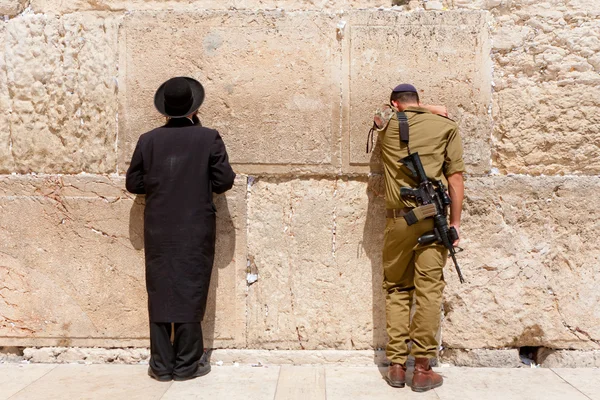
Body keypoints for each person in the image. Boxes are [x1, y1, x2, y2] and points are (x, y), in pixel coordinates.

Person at [125, 76, 236, 382]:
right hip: (195, 226)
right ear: (193, 107)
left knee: (160, 289)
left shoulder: (148, 140)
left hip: (159, 228)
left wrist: (162, 181)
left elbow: (133, 182)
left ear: (164, 111)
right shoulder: (208, 138)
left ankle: (161, 365)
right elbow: (224, 180)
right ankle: (187, 364)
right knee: (190, 287)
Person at [373, 84, 465, 392]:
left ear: (395, 102)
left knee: (397, 287)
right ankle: (423, 369)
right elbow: (455, 178)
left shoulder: (387, 123)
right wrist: (454, 223)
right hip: (431, 221)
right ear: (417, 101)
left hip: (398, 222)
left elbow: (379, 114)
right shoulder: (445, 125)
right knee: (429, 291)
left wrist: (414, 109)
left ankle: (397, 366)